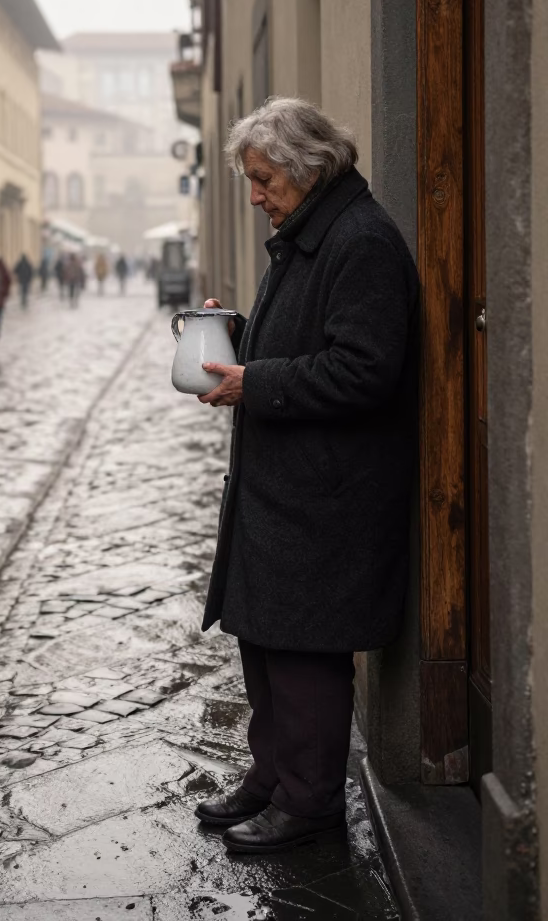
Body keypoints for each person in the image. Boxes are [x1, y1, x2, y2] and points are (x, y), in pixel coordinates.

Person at [193, 97, 418, 856]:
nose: (255, 195)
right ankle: (271, 777)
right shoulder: (311, 233)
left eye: (263, 180)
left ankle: (310, 801)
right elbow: (305, 340)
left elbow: (365, 370)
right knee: (265, 641)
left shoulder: (362, 242)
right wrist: (237, 341)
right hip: (288, 490)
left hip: (327, 497)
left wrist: (254, 382)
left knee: (304, 657)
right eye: (252, 180)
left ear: (308, 168)